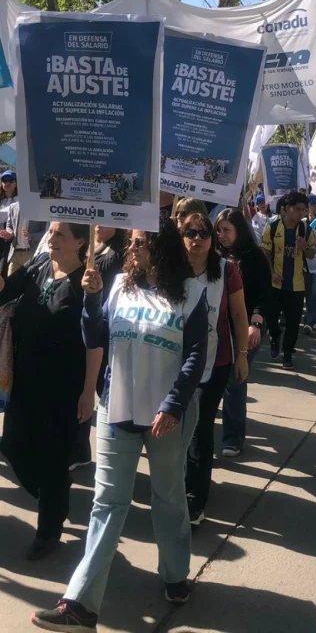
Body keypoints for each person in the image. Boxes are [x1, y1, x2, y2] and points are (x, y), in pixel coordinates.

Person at [32, 221, 208, 631]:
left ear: (161, 249)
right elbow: (95, 335)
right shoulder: (117, 287)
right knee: (107, 504)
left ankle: (175, 575)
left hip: (166, 417)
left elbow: (196, 353)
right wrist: (92, 300)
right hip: (118, 412)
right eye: (131, 242)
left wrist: (175, 403)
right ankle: (81, 603)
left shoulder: (193, 294)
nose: (132, 249)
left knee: (168, 498)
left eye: (141, 243)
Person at [0, 223, 91, 560]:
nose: (51, 239)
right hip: (24, 380)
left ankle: (49, 529)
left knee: (53, 460)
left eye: (60, 235)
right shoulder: (39, 266)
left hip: (63, 389)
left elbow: (97, 339)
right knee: (12, 445)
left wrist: (88, 391)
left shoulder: (86, 282)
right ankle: (54, 497)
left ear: (81, 242)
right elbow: (7, 291)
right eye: (51, 233)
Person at [181, 212, 248, 524]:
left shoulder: (227, 269)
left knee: (201, 427)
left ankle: (196, 497)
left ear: (212, 239)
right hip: (173, 361)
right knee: (175, 428)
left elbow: (238, 315)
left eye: (203, 233)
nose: (197, 239)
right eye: (190, 233)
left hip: (215, 362)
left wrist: (243, 354)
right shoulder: (170, 268)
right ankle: (174, 484)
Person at [215, 208, 272, 456]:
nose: (221, 235)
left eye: (226, 230)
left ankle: (233, 438)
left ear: (239, 230)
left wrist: (255, 323)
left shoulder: (254, 257)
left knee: (235, 381)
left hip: (245, 326)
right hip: (216, 326)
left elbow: (264, 294)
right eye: (218, 230)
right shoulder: (213, 255)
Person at [70, 227, 127, 472]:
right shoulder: (86, 244)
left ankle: (115, 445)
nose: (98, 225)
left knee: (98, 388)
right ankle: (80, 449)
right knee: (80, 389)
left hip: (102, 330)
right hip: (82, 324)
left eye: (104, 221)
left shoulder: (118, 253)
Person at [262, 191, 316, 370]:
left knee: (293, 323)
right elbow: (265, 255)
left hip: (297, 285)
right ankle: (274, 336)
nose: (301, 213)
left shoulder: (306, 230)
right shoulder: (273, 227)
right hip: (275, 283)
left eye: (303, 210)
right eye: (297, 209)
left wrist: (305, 247)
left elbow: (312, 254)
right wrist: (270, 274)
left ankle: (287, 355)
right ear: (286, 209)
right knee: (271, 318)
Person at [0, 196, 45, 275]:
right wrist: (9, 234)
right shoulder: (13, 207)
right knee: (11, 283)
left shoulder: (40, 208)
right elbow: (9, 226)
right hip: (15, 254)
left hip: (31, 253)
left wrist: (32, 237)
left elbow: (46, 232)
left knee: (28, 284)